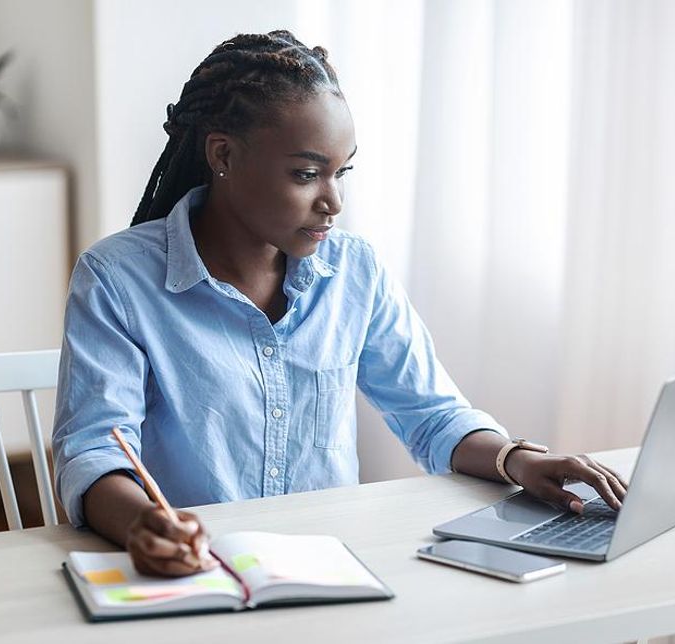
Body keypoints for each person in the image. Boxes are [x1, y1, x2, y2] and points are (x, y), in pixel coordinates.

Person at [52, 30, 627, 577]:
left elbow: (432, 416)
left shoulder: (355, 272)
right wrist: (142, 524)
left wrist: (516, 460)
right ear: (223, 154)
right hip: (197, 575)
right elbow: (95, 451)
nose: (333, 201)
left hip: (330, 570)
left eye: (341, 172)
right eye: (306, 174)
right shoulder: (116, 279)